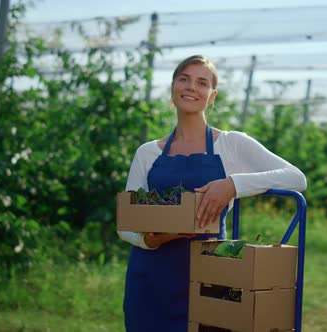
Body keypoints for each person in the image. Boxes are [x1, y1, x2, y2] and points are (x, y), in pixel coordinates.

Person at [117, 54, 307, 332]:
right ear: (173, 88)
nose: (191, 87)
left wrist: (231, 185)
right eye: (184, 79)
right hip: (149, 280)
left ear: (212, 96)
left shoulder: (231, 145)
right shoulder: (148, 153)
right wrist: (152, 239)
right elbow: (126, 224)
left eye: (201, 82)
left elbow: (296, 178)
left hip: (208, 275)